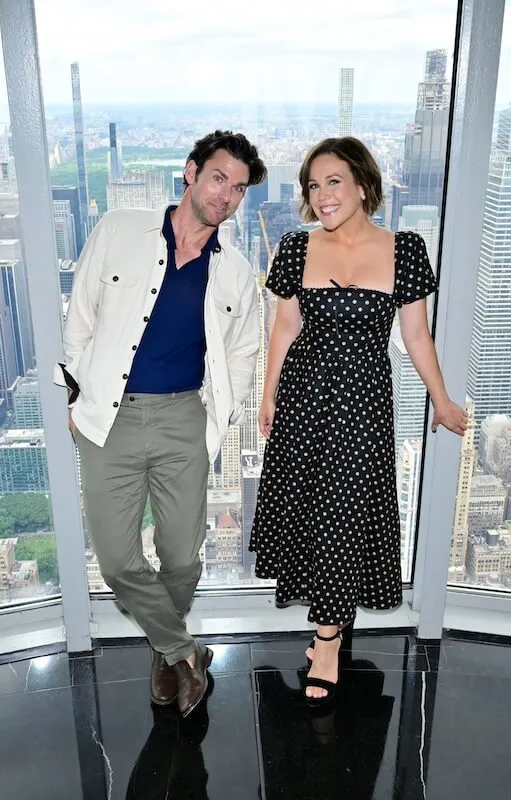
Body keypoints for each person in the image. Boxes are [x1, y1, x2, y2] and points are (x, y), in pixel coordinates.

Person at [250, 136, 468, 704]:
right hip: (303, 399)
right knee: (313, 513)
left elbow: (416, 336)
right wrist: (268, 395)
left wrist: (441, 400)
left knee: (345, 512)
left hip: (363, 404)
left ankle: (327, 640)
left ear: (364, 185)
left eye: (333, 182)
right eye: (313, 186)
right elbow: (284, 328)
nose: (322, 196)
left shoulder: (405, 250)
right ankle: (329, 629)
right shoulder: (296, 249)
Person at [57, 130, 266, 717]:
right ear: (191, 172)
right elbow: (80, 316)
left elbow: (245, 350)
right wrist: (75, 397)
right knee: (119, 559)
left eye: (239, 188)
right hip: (110, 419)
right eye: (219, 178)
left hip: (182, 419)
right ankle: (180, 649)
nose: (226, 195)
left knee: (182, 557)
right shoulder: (119, 230)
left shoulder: (236, 272)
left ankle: (163, 651)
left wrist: (218, 415)